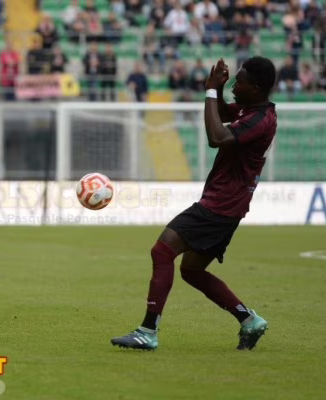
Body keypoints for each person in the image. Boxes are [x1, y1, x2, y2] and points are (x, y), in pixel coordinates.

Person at [111, 56, 277, 351]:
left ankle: (147, 331)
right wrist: (216, 89)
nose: (234, 86)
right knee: (191, 271)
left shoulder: (260, 120)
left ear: (256, 88)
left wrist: (212, 91)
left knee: (162, 251)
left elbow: (217, 136)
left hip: (220, 204)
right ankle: (248, 319)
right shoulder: (250, 110)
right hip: (227, 204)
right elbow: (221, 112)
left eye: (239, 82)